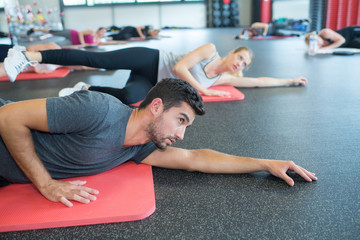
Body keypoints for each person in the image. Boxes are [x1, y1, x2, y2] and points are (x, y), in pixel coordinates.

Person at [0, 78, 317, 207]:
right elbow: (8, 119)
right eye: (180, 120)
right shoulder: (98, 109)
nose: (180, 134)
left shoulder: (140, 147)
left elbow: (196, 160)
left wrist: (265, 163)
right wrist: (47, 184)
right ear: (155, 107)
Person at [1, 43, 308, 104]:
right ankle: (27, 55)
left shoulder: (222, 78)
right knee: (96, 59)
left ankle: (86, 90)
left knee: (131, 97)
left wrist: (290, 80)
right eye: (239, 57)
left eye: (244, 63)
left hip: (150, 80)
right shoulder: (210, 50)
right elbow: (178, 68)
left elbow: (257, 82)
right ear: (231, 53)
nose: (240, 64)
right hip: (151, 58)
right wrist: (201, 90)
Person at [28, 27, 126, 46]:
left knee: (54, 44)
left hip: (73, 42)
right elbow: (80, 33)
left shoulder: (98, 40)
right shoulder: (92, 32)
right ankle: (36, 29)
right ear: (99, 30)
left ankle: (34, 44)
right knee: (53, 32)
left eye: (104, 32)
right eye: (102, 31)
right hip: (72, 33)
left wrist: (119, 42)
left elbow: (107, 42)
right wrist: (83, 42)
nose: (102, 33)